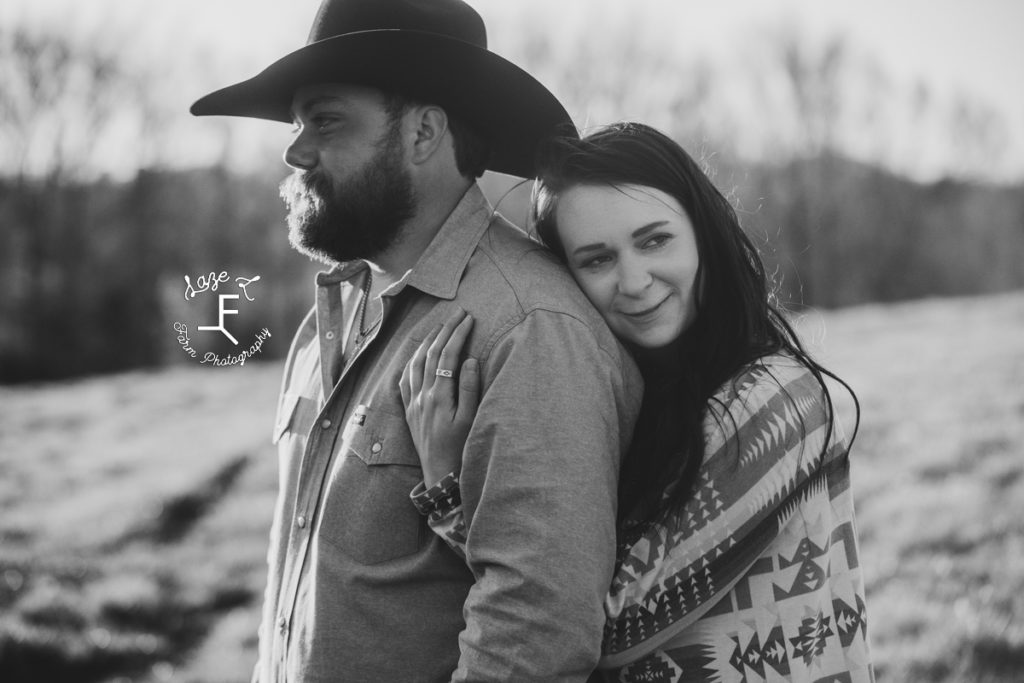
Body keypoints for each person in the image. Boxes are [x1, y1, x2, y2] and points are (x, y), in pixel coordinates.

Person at [190, 1, 643, 681]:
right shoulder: (325, 324)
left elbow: (536, 632)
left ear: (424, 131)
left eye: (325, 119)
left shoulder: (527, 329)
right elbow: (292, 568)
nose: (295, 149)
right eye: (296, 123)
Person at [401, 122, 874, 682]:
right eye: (597, 260)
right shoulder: (636, 396)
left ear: (703, 231)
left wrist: (450, 494)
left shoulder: (773, 400)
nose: (633, 280)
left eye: (654, 241)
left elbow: (609, 626)